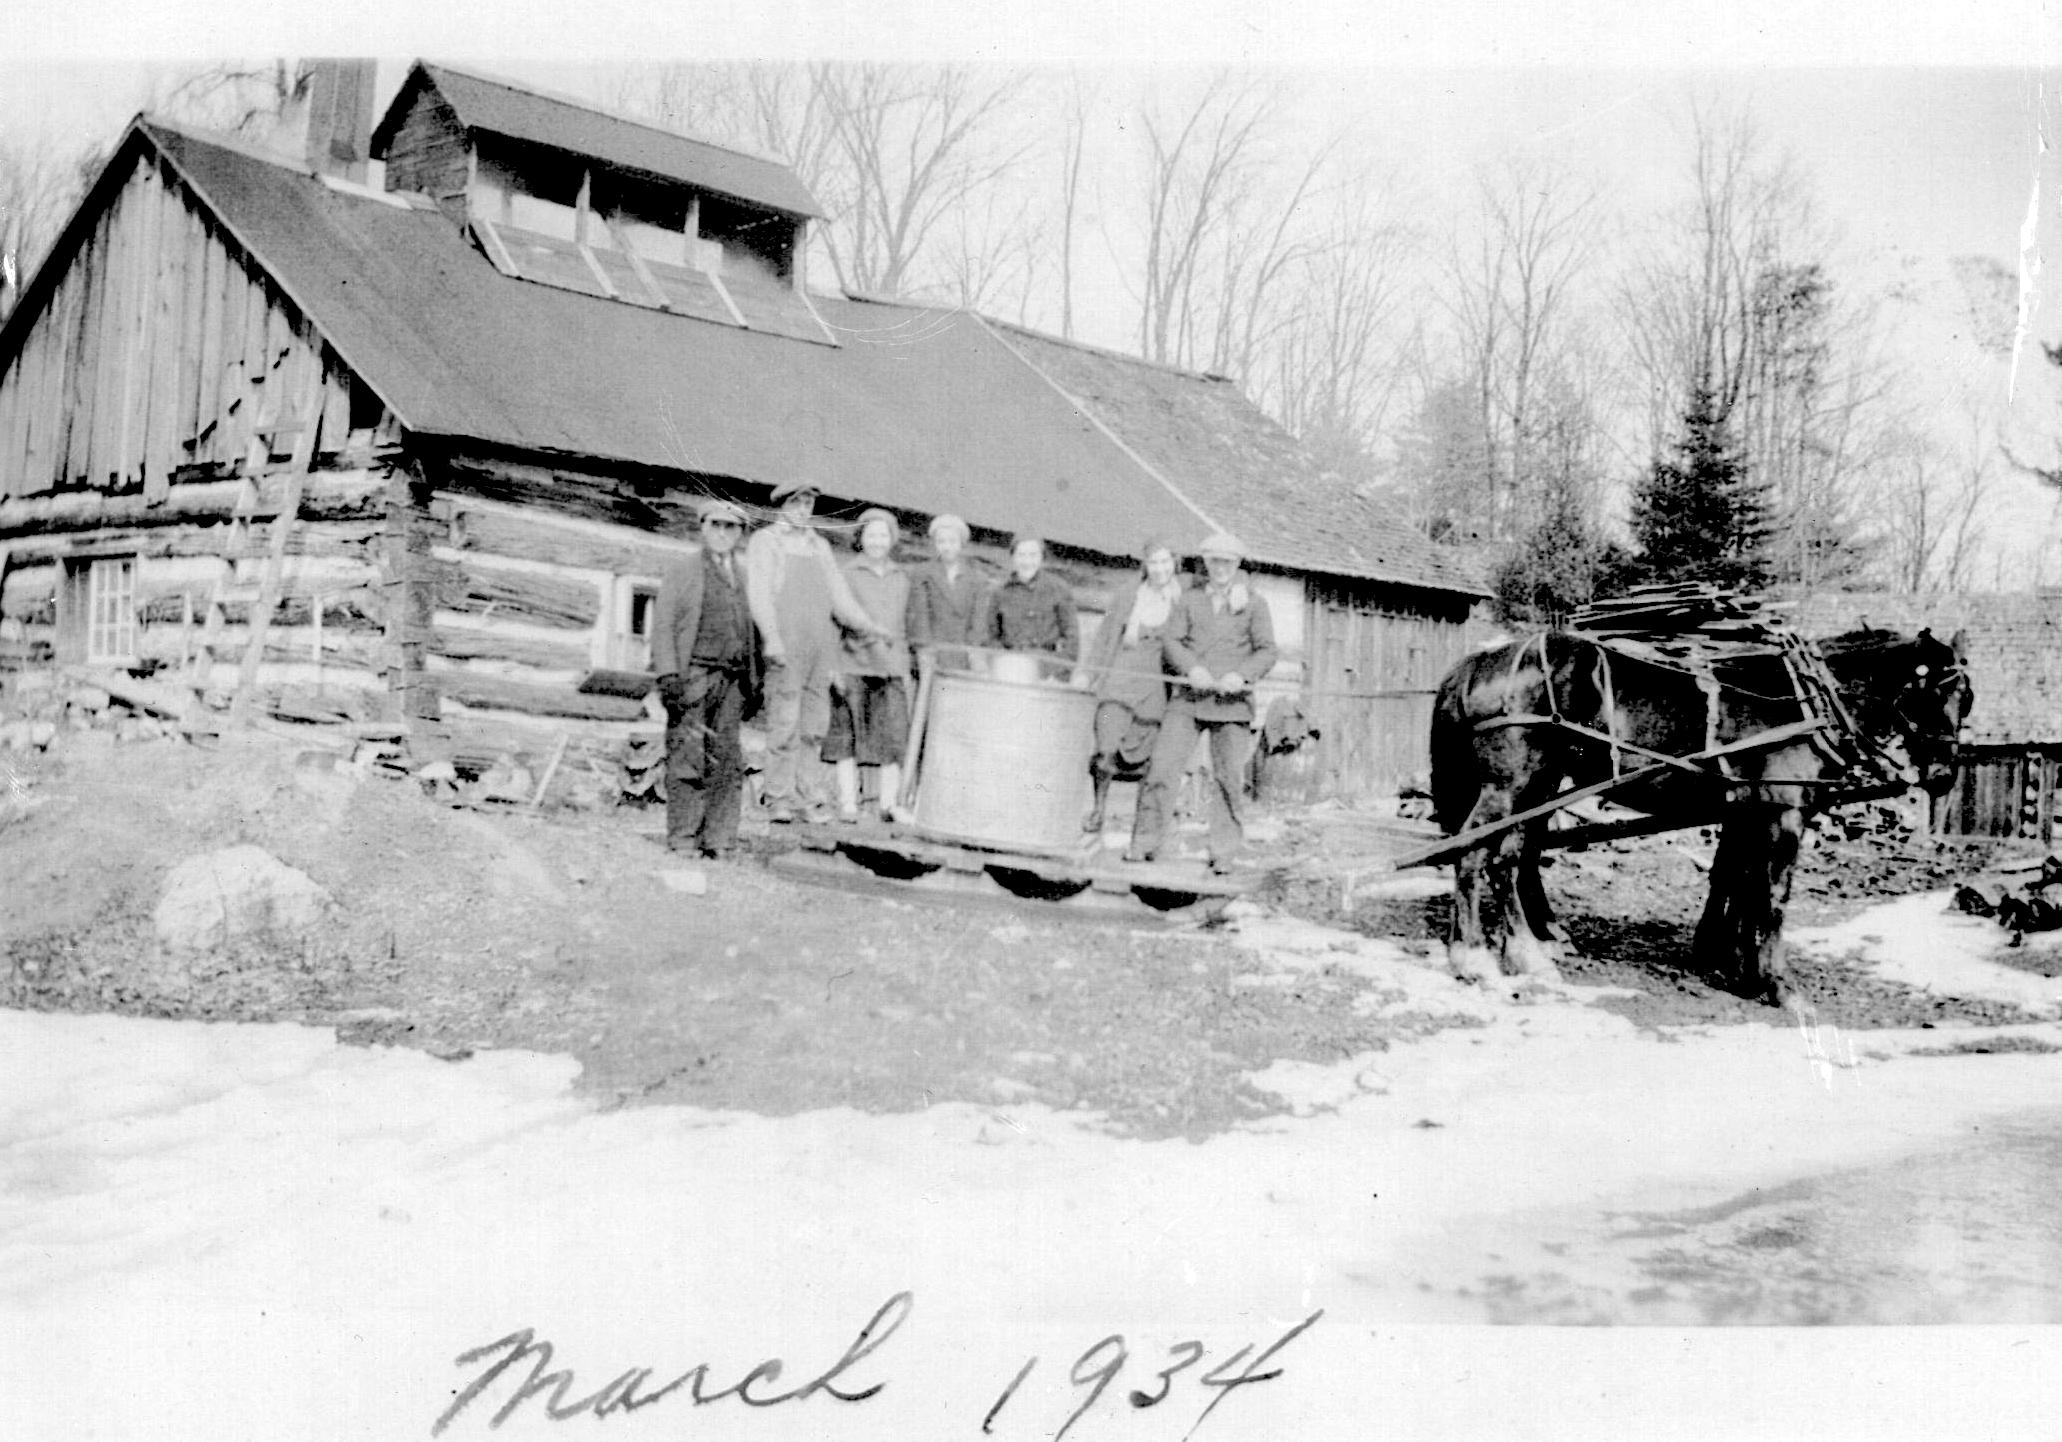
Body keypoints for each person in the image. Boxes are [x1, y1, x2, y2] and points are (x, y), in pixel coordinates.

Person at [1125, 531, 1277, 873]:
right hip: (1189, 700)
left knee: (1228, 780)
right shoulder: (1190, 600)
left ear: (1237, 565)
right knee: (1163, 768)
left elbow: (1267, 650)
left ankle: (1223, 853)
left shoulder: (1254, 603)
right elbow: (1171, 641)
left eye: (1227, 562)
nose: (1221, 568)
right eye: (1214, 562)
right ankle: (1145, 843)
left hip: (1232, 706)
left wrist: (1241, 676)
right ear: (1206, 564)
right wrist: (1191, 668)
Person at [744, 480, 891, 823]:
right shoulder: (766, 541)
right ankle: (778, 796)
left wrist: (869, 626)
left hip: (820, 647)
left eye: (808, 504)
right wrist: (772, 638)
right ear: (782, 505)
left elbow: (839, 597)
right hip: (786, 644)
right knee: (784, 723)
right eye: (796, 503)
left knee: (814, 727)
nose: (802, 510)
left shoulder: (819, 546)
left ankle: (808, 798)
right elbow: (760, 594)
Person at [651, 500, 760, 858]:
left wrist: (756, 682)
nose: (723, 533)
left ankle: (720, 840)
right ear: (703, 527)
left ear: (740, 534)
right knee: (688, 755)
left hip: (734, 682)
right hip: (693, 676)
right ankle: (683, 838)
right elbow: (664, 624)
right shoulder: (683, 570)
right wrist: (668, 675)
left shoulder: (744, 576)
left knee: (726, 760)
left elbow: (754, 631)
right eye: (716, 525)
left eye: (731, 527)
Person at [1082, 539, 1186, 834]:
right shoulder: (1129, 594)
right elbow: (1105, 637)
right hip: (1119, 679)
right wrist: (1089, 675)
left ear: (1175, 564)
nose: (1160, 569)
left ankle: (1143, 821)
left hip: (1155, 686)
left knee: (1150, 757)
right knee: (1106, 747)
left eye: (1166, 562)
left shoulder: (1182, 599)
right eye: (1154, 562)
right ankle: (1098, 810)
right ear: (1145, 565)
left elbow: (1234, 574)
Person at [825, 508, 913, 822]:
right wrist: (833, 665)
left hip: (889, 668)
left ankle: (888, 803)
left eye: (883, 535)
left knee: (892, 738)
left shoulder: (902, 577)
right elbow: (834, 621)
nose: (877, 541)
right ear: (860, 538)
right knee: (847, 737)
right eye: (871, 535)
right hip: (853, 662)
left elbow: (906, 625)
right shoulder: (847, 573)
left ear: (892, 540)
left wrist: (903, 664)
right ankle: (848, 802)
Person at [976, 534, 1078, 678]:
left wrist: (1059, 673)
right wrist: (1002, 662)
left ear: (1042, 558)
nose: (1027, 561)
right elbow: (989, 636)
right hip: (1010, 668)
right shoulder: (1000, 592)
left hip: (1047, 670)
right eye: (1021, 555)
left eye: (1033, 555)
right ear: (1013, 558)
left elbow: (1072, 637)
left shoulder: (1059, 589)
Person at [904, 513, 987, 673]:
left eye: (952, 541)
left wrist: (974, 651)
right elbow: (920, 615)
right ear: (935, 544)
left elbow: (978, 620)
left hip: (962, 651)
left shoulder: (976, 579)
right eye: (941, 541)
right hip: (932, 651)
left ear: (961, 544)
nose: (946, 546)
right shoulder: (923, 573)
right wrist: (925, 650)